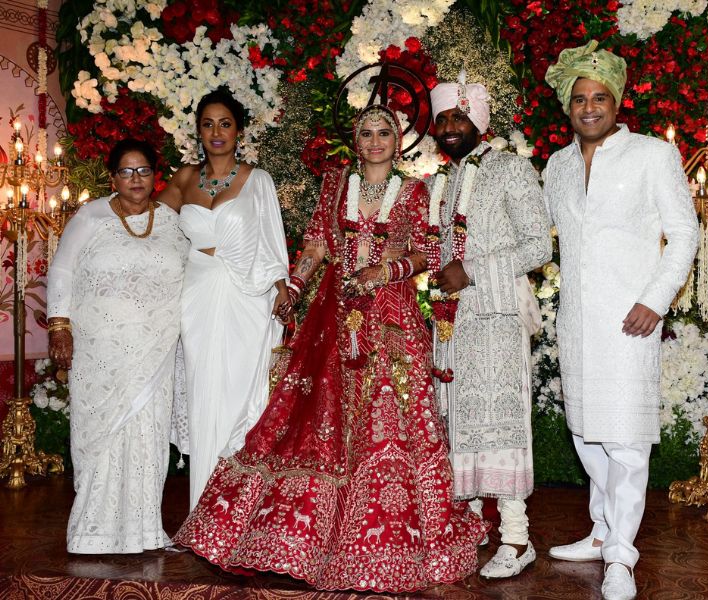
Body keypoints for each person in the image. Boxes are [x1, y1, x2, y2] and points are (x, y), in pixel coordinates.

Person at [172, 103, 487, 592]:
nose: (375, 141)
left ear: (397, 142)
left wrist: (386, 271)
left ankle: (388, 544)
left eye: (384, 133)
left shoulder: (414, 191)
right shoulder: (337, 184)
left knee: (388, 421)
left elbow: (426, 252)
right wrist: (295, 287)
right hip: (335, 315)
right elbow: (318, 244)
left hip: (391, 319)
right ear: (355, 141)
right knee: (320, 421)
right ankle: (312, 540)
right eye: (367, 133)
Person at [543, 41, 699, 600]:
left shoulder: (653, 155)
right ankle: (601, 531)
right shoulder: (557, 166)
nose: (589, 108)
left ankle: (620, 557)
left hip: (632, 320)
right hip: (577, 323)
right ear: (568, 106)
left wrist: (655, 299)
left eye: (599, 98)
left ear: (617, 102)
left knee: (627, 442)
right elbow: (541, 236)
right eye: (579, 99)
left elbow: (684, 233)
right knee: (587, 433)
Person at [428, 74, 552, 579]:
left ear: (479, 121)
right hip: (452, 322)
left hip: (497, 316)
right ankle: (473, 523)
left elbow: (539, 245)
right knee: (459, 419)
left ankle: (517, 538)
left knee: (499, 419)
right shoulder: (442, 179)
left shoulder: (509, 168)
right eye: (442, 119)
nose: (450, 127)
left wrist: (472, 270)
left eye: (460, 117)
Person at [47, 138, 189, 553]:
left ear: (154, 176)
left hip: (155, 351)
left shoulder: (171, 223)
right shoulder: (91, 216)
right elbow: (62, 270)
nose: (135, 179)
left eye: (143, 170)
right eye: (126, 172)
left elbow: (194, 272)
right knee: (99, 436)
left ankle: (143, 531)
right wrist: (59, 326)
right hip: (100, 353)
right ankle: (92, 532)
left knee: (148, 436)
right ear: (113, 178)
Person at [159, 89, 290, 510]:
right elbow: (149, 223)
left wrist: (282, 288)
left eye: (225, 123)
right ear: (198, 131)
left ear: (239, 131)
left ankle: (239, 512)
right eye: (208, 124)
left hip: (247, 297)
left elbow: (272, 241)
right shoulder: (184, 178)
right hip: (197, 295)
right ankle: (202, 509)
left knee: (240, 397)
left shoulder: (258, 179)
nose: (217, 132)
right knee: (203, 394)